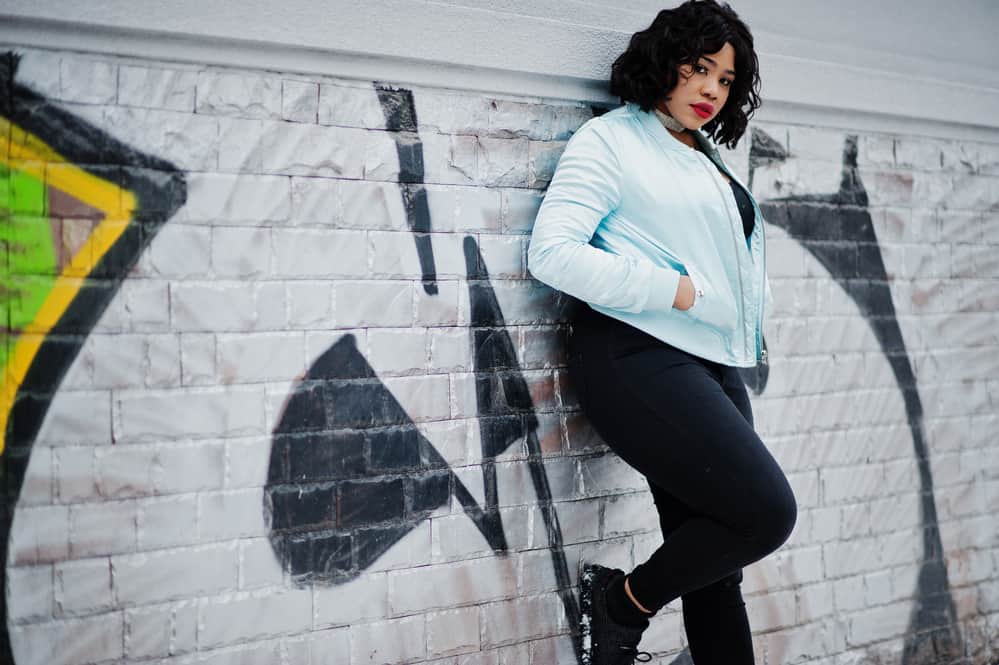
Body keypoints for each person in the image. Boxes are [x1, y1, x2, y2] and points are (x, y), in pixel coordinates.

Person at [527, 2, 798, 663]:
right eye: (698, 67)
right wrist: (671, 289)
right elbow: (552, 252)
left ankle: (628, 609)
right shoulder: (613, 140)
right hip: (633, 355)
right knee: (765, 512)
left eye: (725, 80)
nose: (710, 89)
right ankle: (620, 602)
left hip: (706, 362)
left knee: (715, 564)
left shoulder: (702, 155)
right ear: (663, 60)